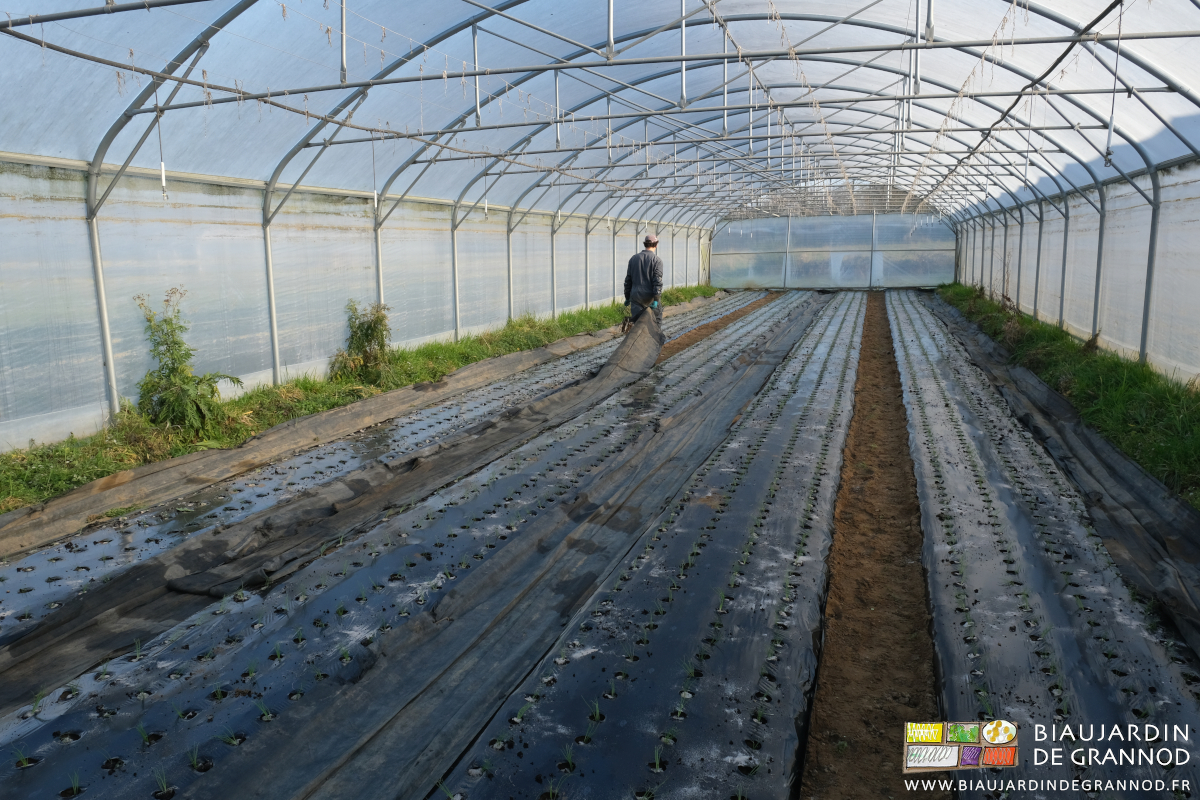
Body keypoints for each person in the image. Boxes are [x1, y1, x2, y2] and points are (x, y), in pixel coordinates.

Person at [624, 234, 664, 325]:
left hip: (636, 297)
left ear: (645, 244)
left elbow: (628, 280)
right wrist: (656, 299)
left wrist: (627, 297)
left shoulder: (633, 259)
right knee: (655, 323)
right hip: (650, 298)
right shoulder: (657, 260)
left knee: (638, 324)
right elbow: (657, 281)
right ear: (656, 245)